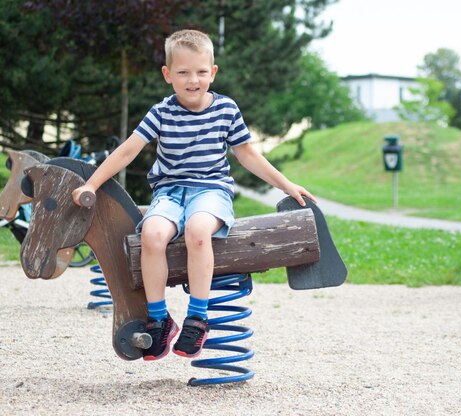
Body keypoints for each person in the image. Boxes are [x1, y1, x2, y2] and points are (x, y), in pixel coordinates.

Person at [72, 29, 315, 361]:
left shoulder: (226, 110)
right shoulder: (161, 113)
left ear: (212, 72)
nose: (193, 79)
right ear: (167, 75)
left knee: (198, 231)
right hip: (170, 192)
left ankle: (197, 318)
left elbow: (247, 155)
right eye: (183, 72)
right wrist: (91, 185)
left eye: (201, 71)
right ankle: (159, 319)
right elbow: (126, 152)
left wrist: (287, 185)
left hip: (211, 191)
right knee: (153, 234)